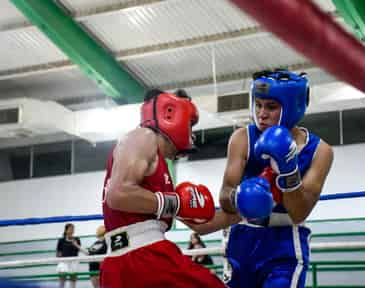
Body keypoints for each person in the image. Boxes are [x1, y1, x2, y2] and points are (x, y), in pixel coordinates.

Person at [190, 69, 334, 288]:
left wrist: (288, 171)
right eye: (258, 104)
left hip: (285, 241)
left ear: (293, 107)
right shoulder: (242, 138)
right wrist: (241, 197)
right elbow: (225, 195)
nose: (262, 113)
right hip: (243, 237)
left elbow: (300, 212)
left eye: (271, 107)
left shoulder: (320, 151)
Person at [100, 89, 226, 287]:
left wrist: (247, 211)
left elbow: (200, 225)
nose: (190, 133)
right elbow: (118, 194)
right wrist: (175, 203)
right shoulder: (143, 136)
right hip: (144, 258)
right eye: (190, 125)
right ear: (170, 114)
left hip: (122, 264)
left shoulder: (158, 169)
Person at [56, 223, 81, 288]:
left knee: (73, 282)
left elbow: (79, 249)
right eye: (70, 229)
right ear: (66, 230)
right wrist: (60, 259)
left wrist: (75, 244)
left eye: (73, 229)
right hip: (64, 261)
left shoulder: (77, 239)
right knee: (62, 281)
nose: (72, 230)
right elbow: (58, 252)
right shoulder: (61, 240)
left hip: (74, 261)